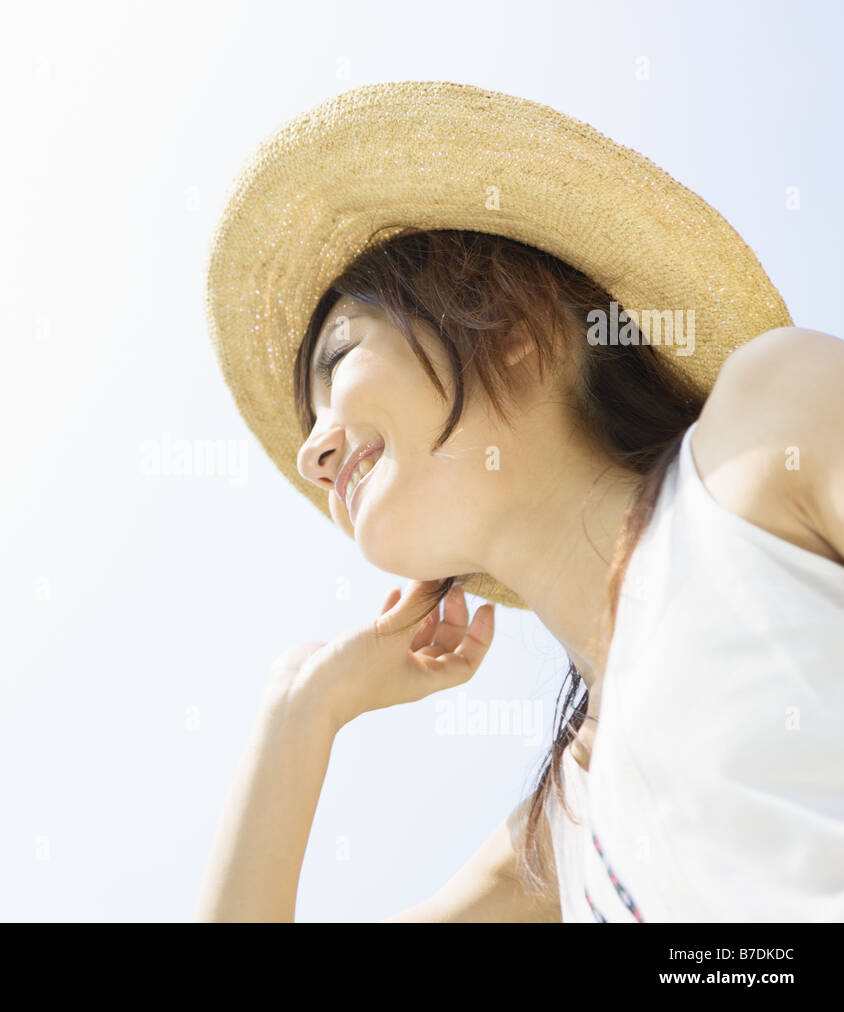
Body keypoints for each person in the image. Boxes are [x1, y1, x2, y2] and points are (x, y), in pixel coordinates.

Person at [196, 83, 844, 922]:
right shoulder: (559, 835)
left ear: (510, 328)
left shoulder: (765, 433)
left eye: (342, 355)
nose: (312, 450)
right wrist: (298, 710)